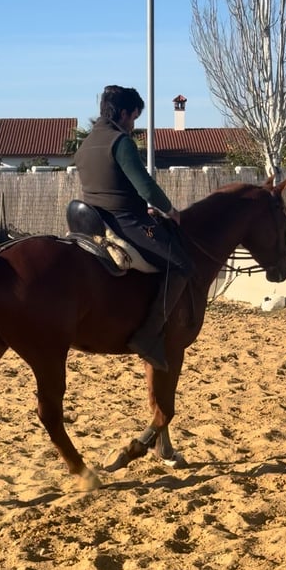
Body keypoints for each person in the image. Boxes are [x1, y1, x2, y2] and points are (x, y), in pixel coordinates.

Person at [74, 85, 194, 372]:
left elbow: (109, 186)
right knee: (181, 264)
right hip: (127, 223)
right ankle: (148, 334)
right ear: (124, 113)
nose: (133, 125)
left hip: (92, 219)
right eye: (134, 118)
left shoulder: (87, 143)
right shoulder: (120, 141)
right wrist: (170, 211)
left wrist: (142, 207)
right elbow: (146, 186)